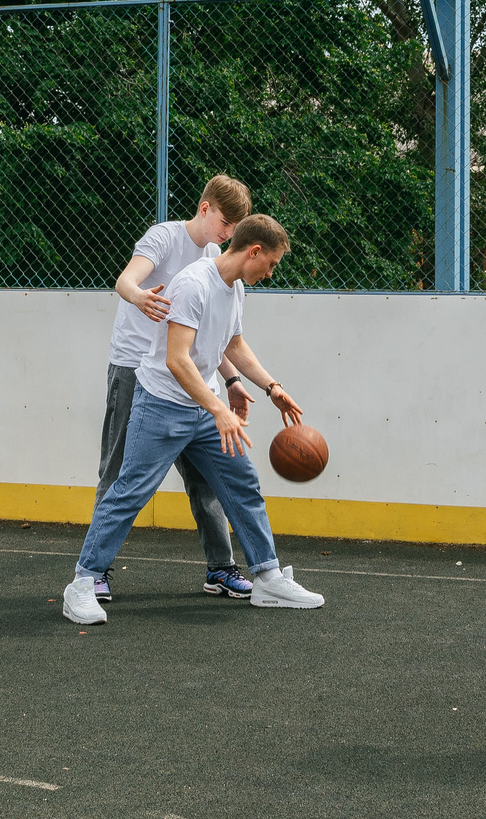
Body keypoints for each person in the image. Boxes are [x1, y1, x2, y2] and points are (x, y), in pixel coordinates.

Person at [64, 213, 324, 624]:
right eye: (271, 263)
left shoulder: (234, 286)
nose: (271, 272)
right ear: (253, 251)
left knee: (243, 484)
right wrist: (219, 409)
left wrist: (271, 387)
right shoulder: (193, 284)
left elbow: (234, 344)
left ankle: (268, 578)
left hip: (202, 410)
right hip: (162, 406)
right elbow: (177, 360)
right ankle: (82, 585)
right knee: (129, 491)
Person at [98, 175, 259, 602]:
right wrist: (138, 298)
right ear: (204, 207)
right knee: (119, 474)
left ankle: (220, 569)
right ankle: (97, 571)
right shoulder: (165, 237)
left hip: (184, 375)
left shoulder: (213, 257)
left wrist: (233, 380)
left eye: (233, 229)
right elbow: (125, 281)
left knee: (207, 475)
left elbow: (209, 335)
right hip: (136, 367)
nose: (227, 235)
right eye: (224, 223)